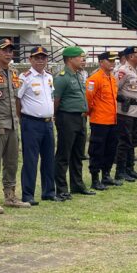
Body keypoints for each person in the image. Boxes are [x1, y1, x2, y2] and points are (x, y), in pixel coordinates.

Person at [0, 38, 29, 211]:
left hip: (13, 124)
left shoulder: (14, 71)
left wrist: (17, 119)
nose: (8, 53)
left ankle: (10, 196)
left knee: (12, 162)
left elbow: (16, 98)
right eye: (4, 50)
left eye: (10, 50)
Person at [17, 46, 57, 204]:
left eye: (43, 57)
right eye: (37, 58)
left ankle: (49, 192)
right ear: (30, 59)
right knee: (30, 160)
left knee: (49, 159)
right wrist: (22, 118)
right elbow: (17, 99)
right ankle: (28, 194)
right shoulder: (25, 77)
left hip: (48, 123)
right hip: (31, 123)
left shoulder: (49, 77)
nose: (40, 60)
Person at [54, 46, 90, 198]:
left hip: (80, 118)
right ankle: (62, 188)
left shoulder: (78, 75)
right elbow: (56, 100)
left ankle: (77, 185)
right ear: (69, 59)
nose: (83, 60)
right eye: (79, 57)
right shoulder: (62, 77)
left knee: (78, 154)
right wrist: (56, 117)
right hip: (67, 117)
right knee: (64, 154)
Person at [85, 51, 121, 191]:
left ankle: (106, 175)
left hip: (112, 120)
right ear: (101, 62)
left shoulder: (112, 78)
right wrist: (91, 113)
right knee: (97, 150)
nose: (112, 63)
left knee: (110, 149)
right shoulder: (95, 79)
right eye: (109, 60)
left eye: (113, 61)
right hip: (99, 120)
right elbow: (89, 99)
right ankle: (95, 179)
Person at [113, 47, 137, 182]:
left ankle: (130, 168)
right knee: (124, 141)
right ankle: (120, 171)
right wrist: (123, 99)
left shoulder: (136, 70)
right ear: (131, 56)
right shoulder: (123, 71)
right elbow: (114, 89)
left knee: (132, 140)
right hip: (125, 111)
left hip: (136, 111)